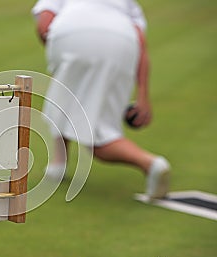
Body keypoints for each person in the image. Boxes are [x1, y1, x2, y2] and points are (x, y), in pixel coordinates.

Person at [32, 0, 170, 199]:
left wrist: (58, 52)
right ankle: (58, 164)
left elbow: (44, 23)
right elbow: (140, 42)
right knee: (69, 97)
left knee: (91, 130)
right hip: (122, 41)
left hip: (68, 33)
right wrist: (143, 95)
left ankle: (150, 163)